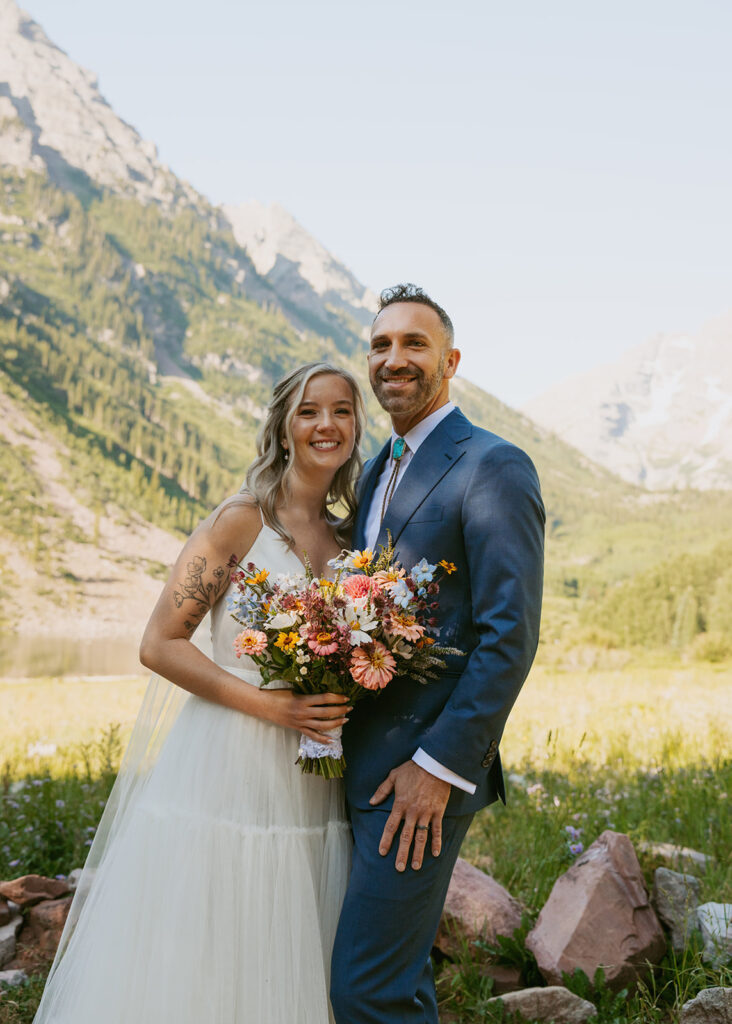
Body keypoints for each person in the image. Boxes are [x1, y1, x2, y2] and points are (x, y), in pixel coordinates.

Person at [33, 362, 365, 1024]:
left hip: (311, 771)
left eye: (342, 411)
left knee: (289, 935)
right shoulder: (241, 521)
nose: (326, 424)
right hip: (229, 759)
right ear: (283, 427)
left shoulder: (350, 539)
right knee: (213, 929)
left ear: (358, 426)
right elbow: (160, 643)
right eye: (308, 411)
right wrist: (274, 706)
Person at [330, 285, 545, 1024]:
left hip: (418, 779)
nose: (395, 359)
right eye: (382, 345)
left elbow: (508, 634)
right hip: (355, 759)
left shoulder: (494, 466)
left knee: (369, 991)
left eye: (415, 344)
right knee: (396, 976)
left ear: (450, 361)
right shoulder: (378, 471)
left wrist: (440, 769)